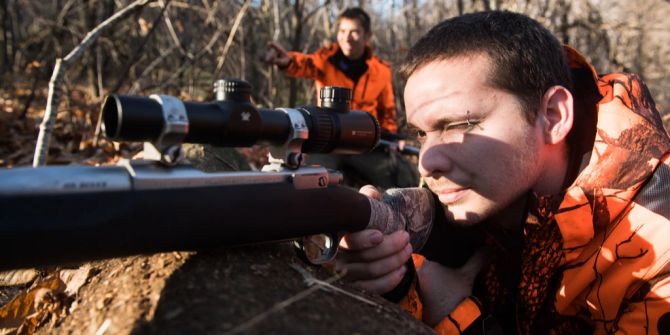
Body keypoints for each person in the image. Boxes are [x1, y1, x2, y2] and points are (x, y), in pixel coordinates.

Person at [332, 11, 670, 334]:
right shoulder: (494, 194)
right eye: (421, 133)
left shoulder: (661, 251)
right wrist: (399, 283)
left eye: (458, 125)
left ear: (552, 116)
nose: (425, 162)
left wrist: (455, 313)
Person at [263, 7, 418, 189]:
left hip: (364, 143)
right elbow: (304, 64)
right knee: (308, 181)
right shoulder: (326, 59)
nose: (347, 37)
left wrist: (391, 139)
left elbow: (387, 110)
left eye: (354, 31)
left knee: (401, 178)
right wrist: (288, 61)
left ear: (367, 35)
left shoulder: (381, 70)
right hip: (329, 142)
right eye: (342, 31)